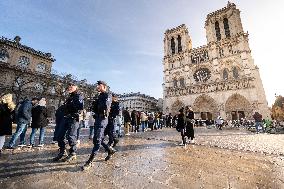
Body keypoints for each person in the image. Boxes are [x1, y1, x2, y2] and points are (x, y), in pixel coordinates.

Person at [82, 80, 114, 171]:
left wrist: (98, 107)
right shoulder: (99, 96)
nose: (97, 87)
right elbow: (95, 107)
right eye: (97, 86)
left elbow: (105, 106)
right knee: (98, 139)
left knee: (97, 140)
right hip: (98, 119)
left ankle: (90, 161)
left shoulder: (108, 94)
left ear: (104, 86)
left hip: (103, 119)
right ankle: (109, 150)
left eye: (99, 86)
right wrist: (94, 106)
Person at [53, 83, 84, 162]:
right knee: (59, 135)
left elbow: (80, 108)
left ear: (76, 87)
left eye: (71, 86)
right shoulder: (70, 97)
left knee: (70, 136)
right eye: (69, 86)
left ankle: (73, 153)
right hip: (65, 118)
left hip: (73, 119)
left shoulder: (78, 95)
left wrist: (74, 113)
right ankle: (62, 151)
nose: (69, 87)